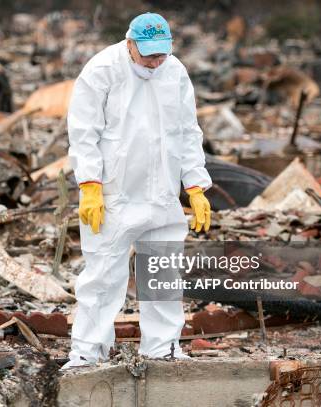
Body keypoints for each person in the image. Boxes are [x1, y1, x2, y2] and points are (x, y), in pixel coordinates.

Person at [63, 12, 213, 369]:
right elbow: (84, 132)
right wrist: (89, 185)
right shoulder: (102, 70)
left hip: (161, 193)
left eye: (161, 53)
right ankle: (88, 352)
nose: (155, 61)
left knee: (163, 273)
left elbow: (187, 132)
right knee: (102, 277)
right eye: (148, 54)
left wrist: (195, 185)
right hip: (114, 196)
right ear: (129, 43)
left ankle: (162, 348)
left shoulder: (174, 71)